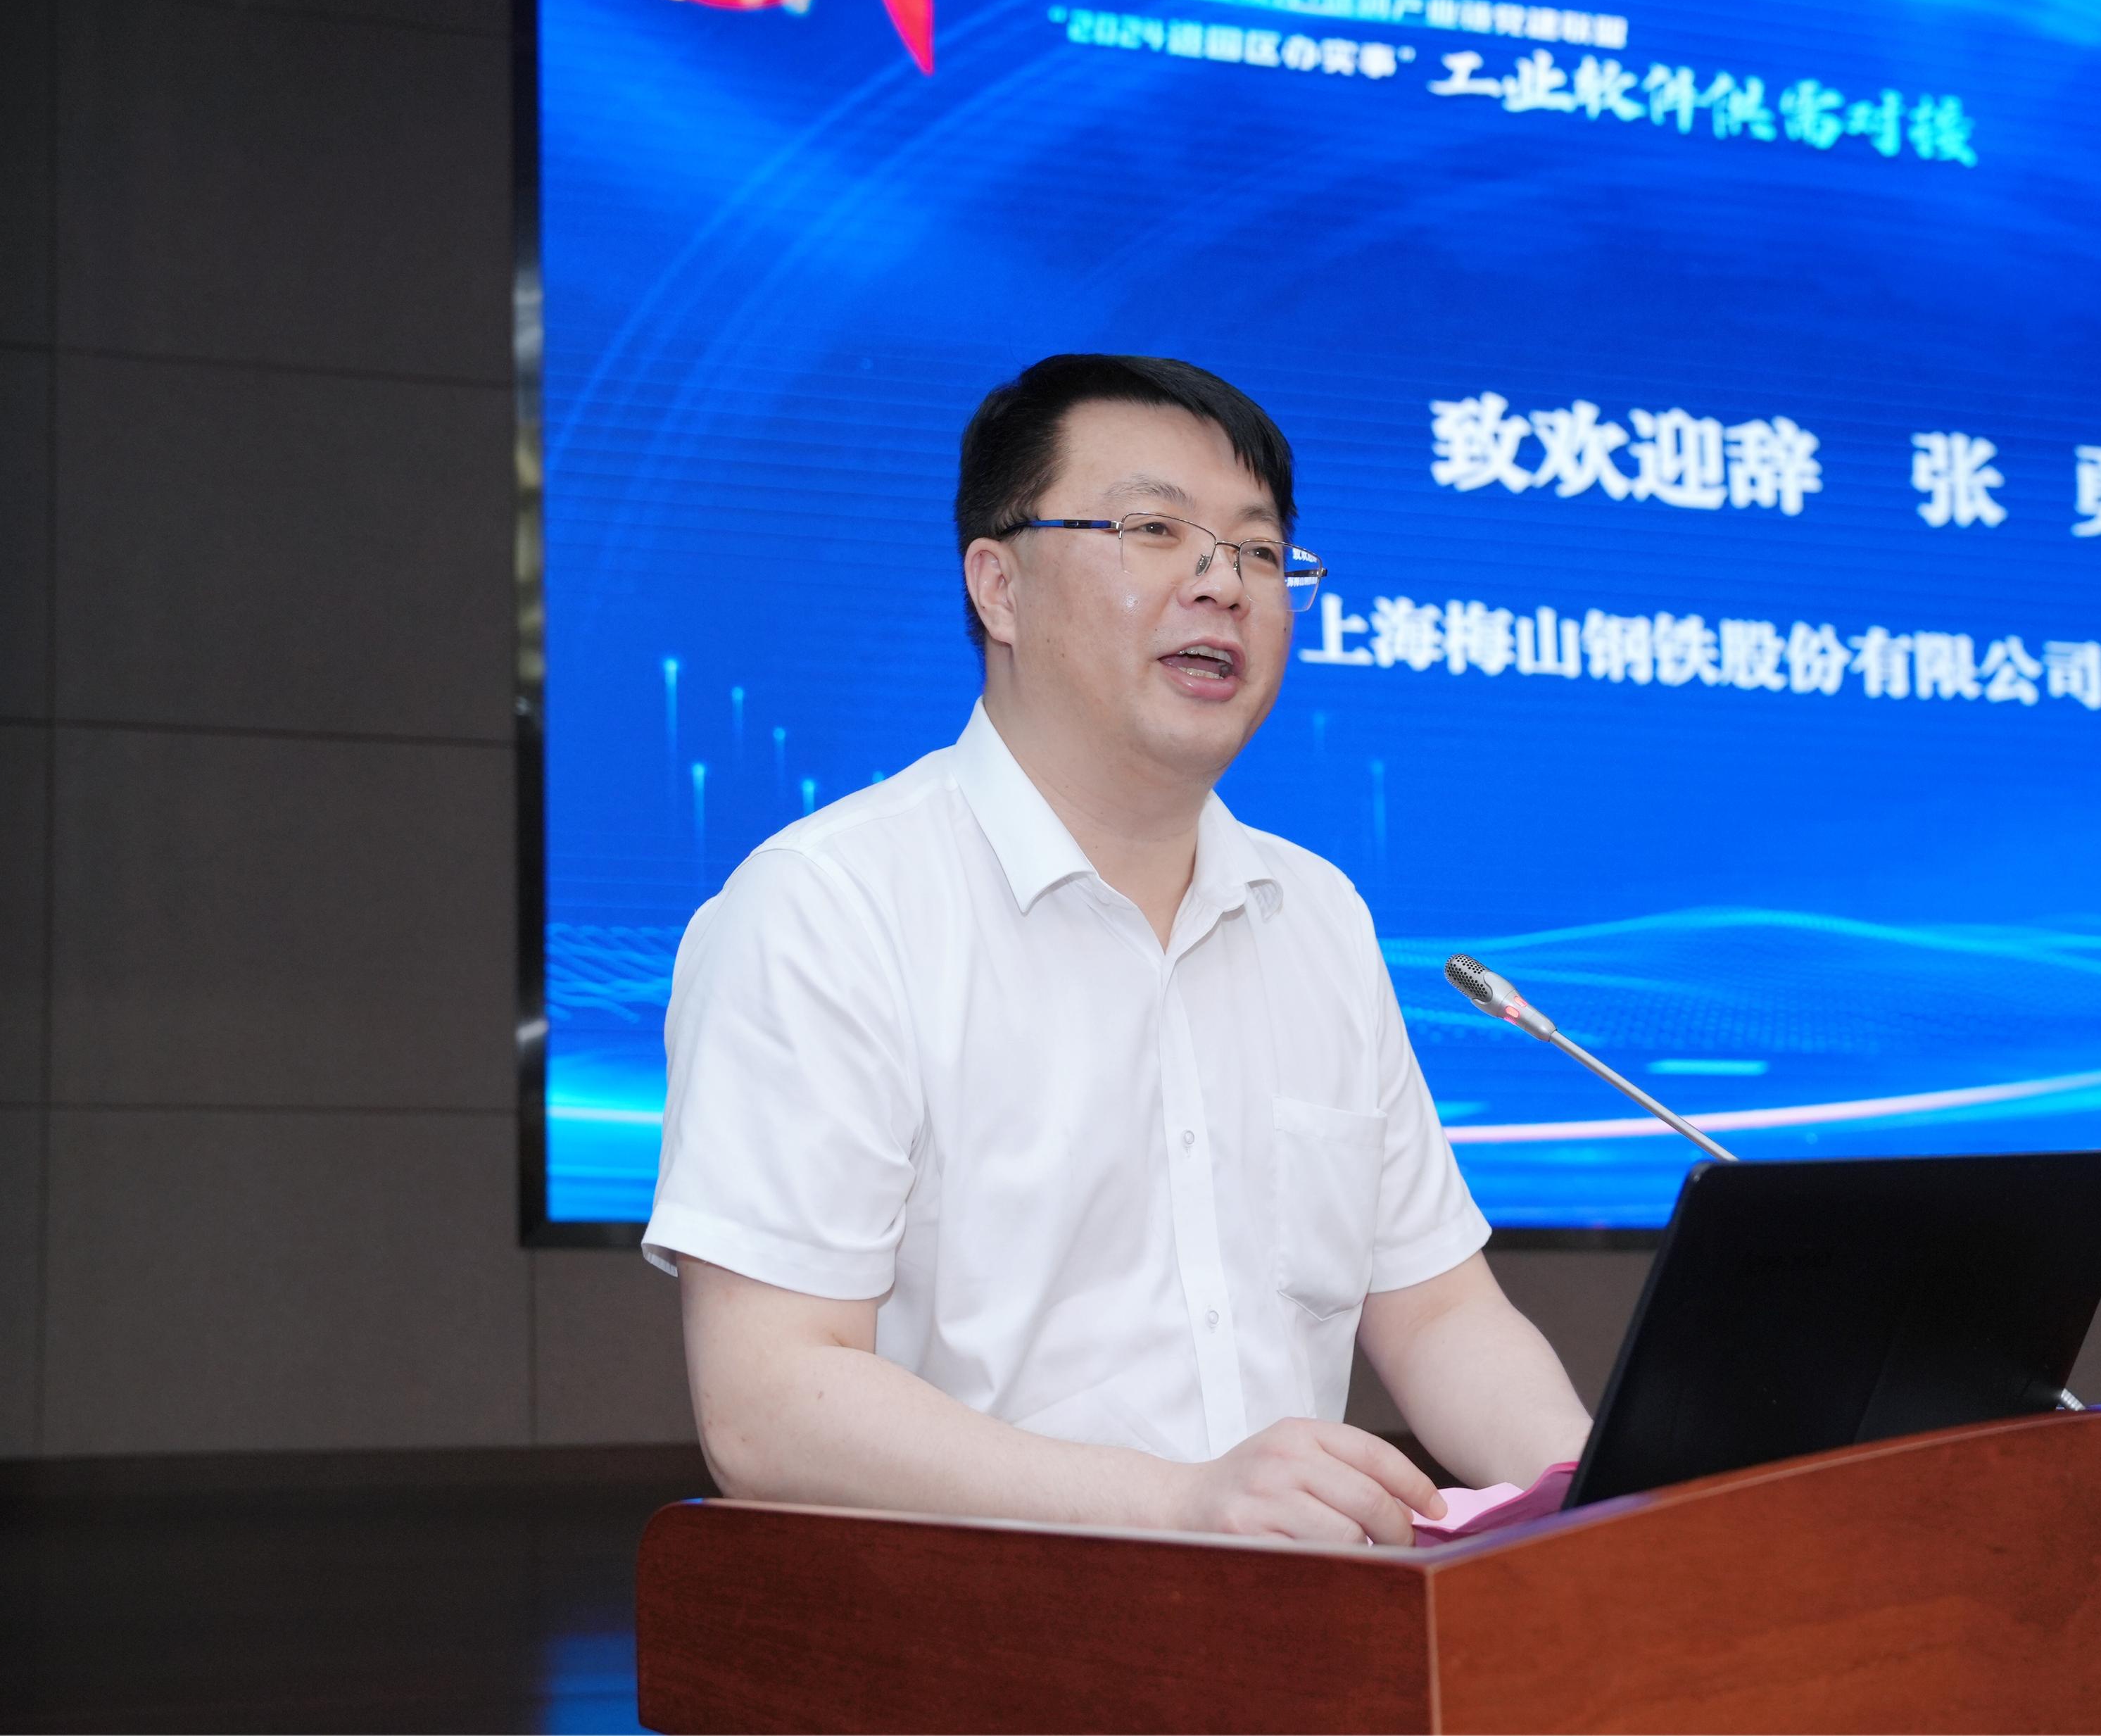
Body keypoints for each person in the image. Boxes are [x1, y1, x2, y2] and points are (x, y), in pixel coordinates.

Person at [645, 353, 1593, 1546]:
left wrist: (1604, 1496)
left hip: (1306, 1630)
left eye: (1260, 550)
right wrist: (1181, 1505)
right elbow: (770, 1402)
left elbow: (1441, 1314)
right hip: (977, 1632)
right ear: (998, 586)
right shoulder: (830, 908)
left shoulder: (1318, 915)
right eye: (1155, 529)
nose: (1224, 583)